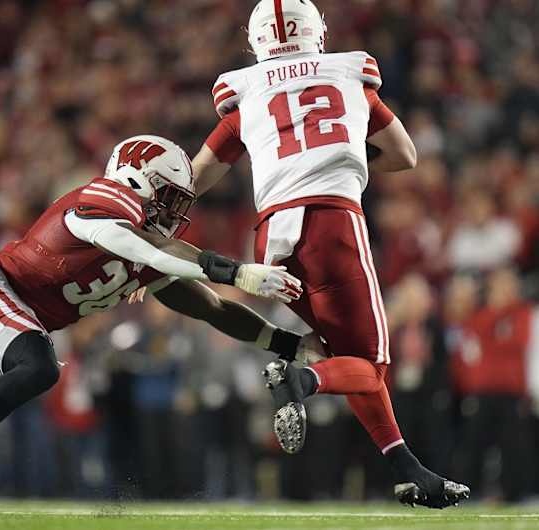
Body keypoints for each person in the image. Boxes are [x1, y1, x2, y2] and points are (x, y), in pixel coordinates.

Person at [0, 134, 314, 499]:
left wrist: (293, 345)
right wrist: (235, 271)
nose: (174, 211)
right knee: (38, 364)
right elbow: (150, 246)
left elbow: (211, 308)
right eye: (168, 197)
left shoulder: (150, 249)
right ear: (138, 179)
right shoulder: (108, 199)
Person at [191, 0, 469, 509]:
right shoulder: (350, 74)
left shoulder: (246, 91)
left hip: (270, 238)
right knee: (368, 364)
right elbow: (406, 156)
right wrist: (345, 157)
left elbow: (198, 173)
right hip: (331, 224)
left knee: (348, 358)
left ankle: (409, 472)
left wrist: (160, 217)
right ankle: (301, 378)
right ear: (318, 33)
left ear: (256, 42)